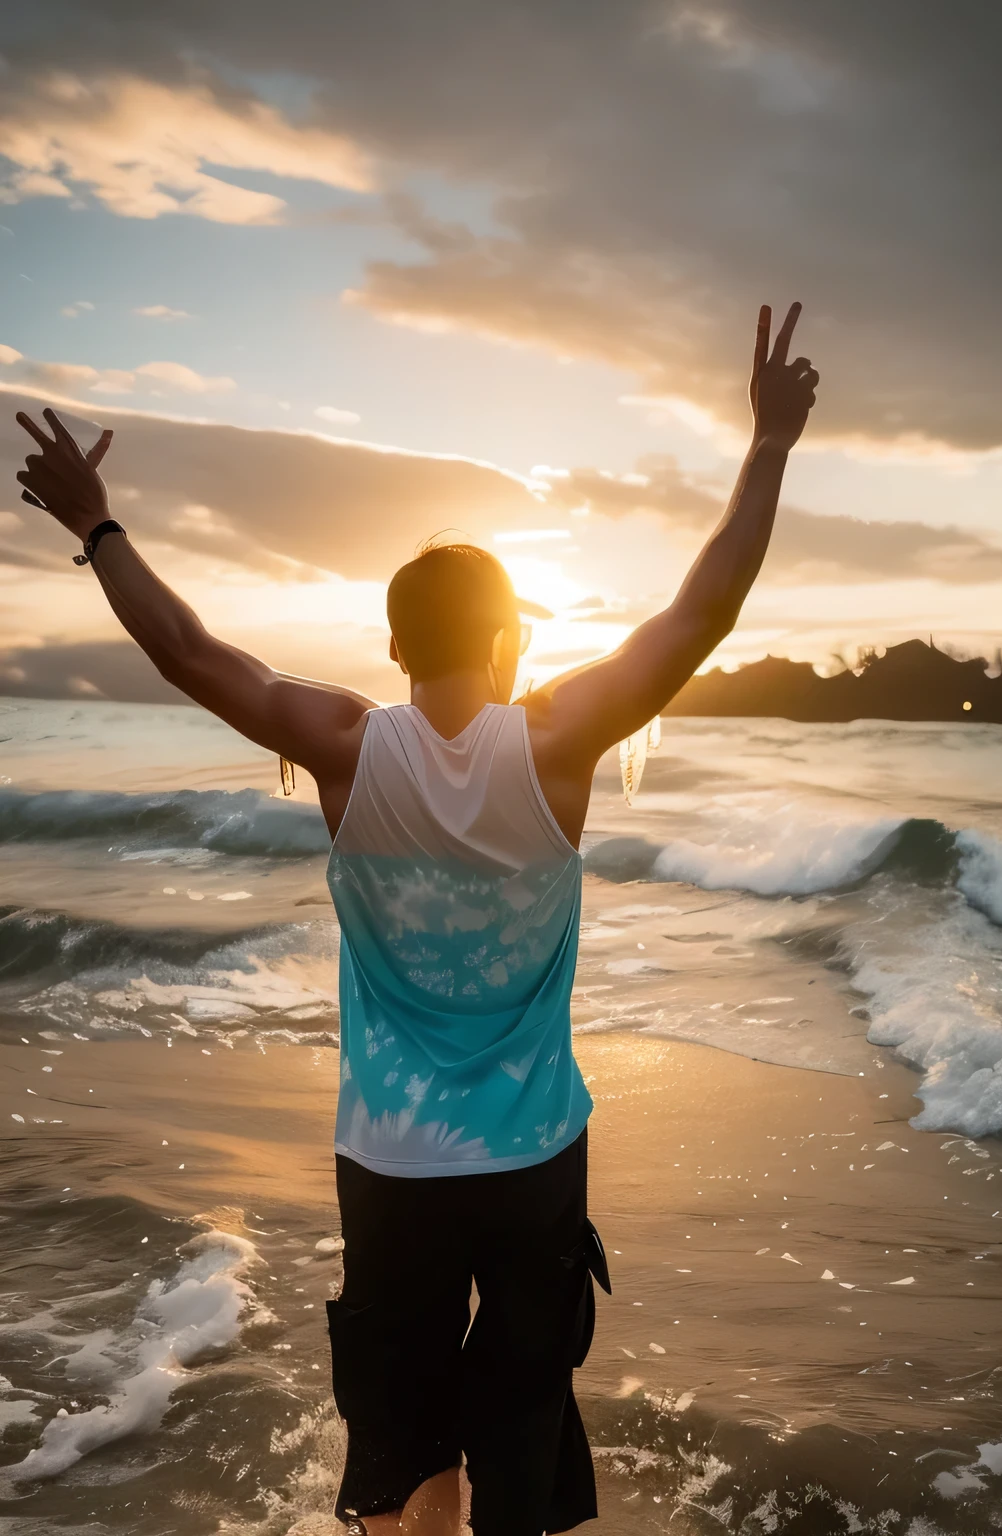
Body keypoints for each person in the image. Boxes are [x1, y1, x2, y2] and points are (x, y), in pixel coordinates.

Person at [15, 302, 817, 1535]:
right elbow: (697, 615)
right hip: (535, 1158)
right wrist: (764, 448)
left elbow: (186, 651)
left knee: (400, 1421)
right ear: (506, 637)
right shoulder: (555, 746)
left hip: (389, 1163)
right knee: (519, 1415)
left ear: (391, 644)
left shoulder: (342, 744)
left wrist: (99, 527)